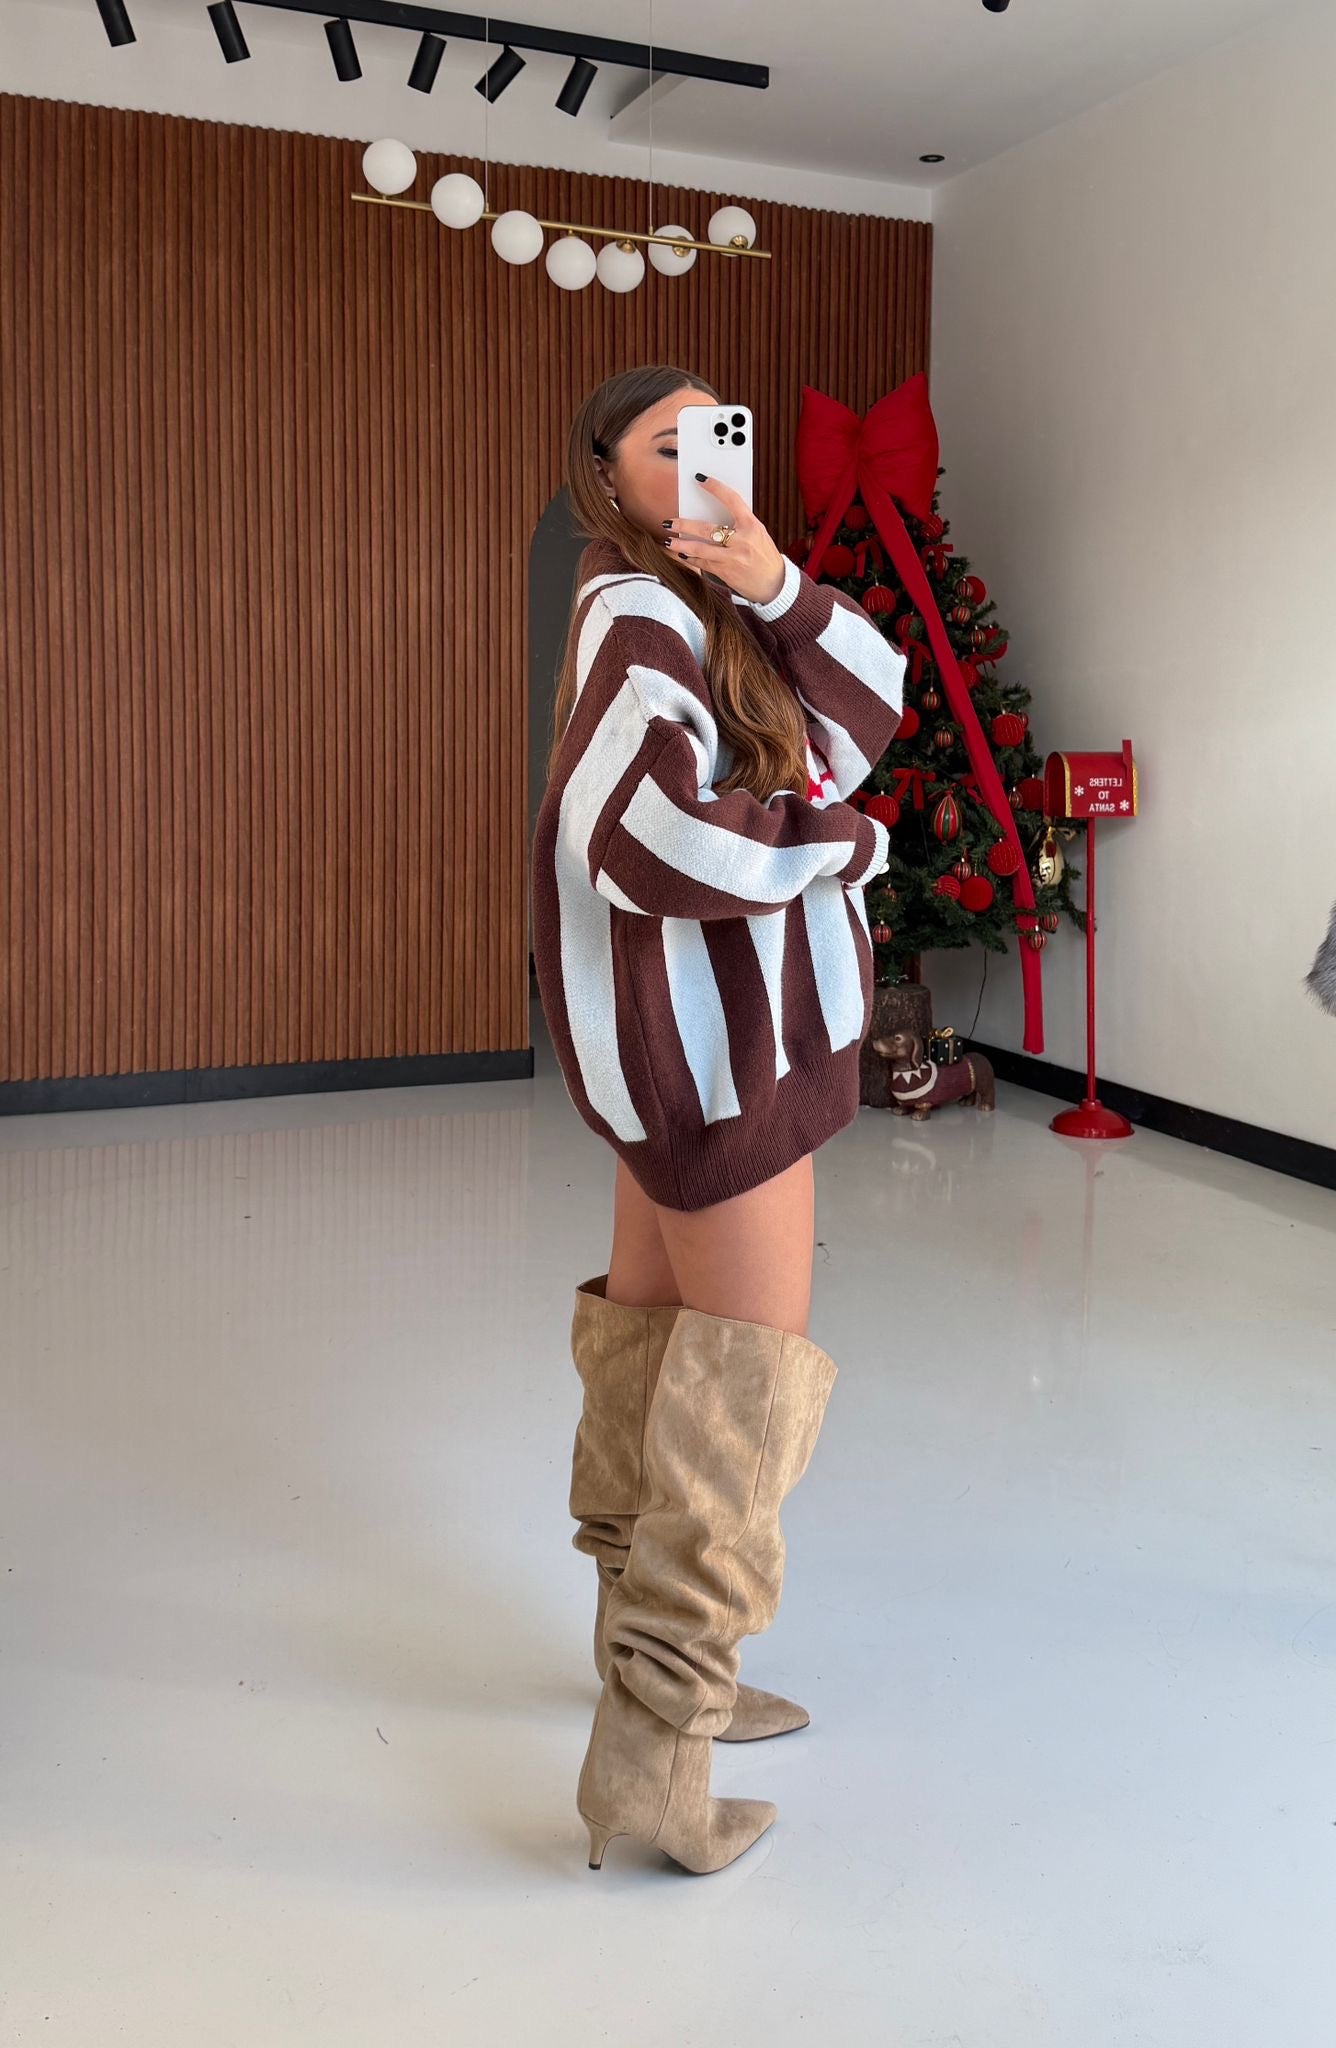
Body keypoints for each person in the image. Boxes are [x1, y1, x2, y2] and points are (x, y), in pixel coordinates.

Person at [530, 365, 906, 1874]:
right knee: (744, 1395)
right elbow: (648, 833)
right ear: (607, 475)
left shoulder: (717, 606)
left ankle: (647, 1670)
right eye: (666, 442)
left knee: (649, 1348)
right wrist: (840, 847)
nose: (702, 460)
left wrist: (776, 583)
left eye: (719, 436)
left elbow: (870, 712)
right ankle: (658, 1753)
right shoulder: (635, 609)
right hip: (724, 1053)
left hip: (683, 1051)